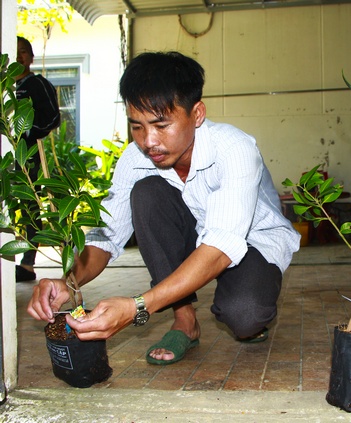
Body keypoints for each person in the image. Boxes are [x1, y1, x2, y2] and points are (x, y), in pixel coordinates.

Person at [27, 51, 300, 365]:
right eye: (137, 127)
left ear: (196, 114)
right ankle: (185, 321)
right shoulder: (135, 159)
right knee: (146, 194)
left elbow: (221, 247)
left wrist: (137, 307)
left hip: (253, 242)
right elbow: (107, 236)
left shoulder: (234, 148)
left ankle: (250, 316)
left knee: (244, 315)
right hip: (196, 236)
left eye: (161, 125)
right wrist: (68, 282)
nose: (148, 141)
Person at [15, 36, 61, 282]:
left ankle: (27, 264)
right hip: (7, 158)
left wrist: (28, 134)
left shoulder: (36, 84)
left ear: (31, 57)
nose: (18, 56)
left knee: (29, 208)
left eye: (23, 52)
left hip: (28, 156)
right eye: (14, 52)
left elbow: (53, 117)